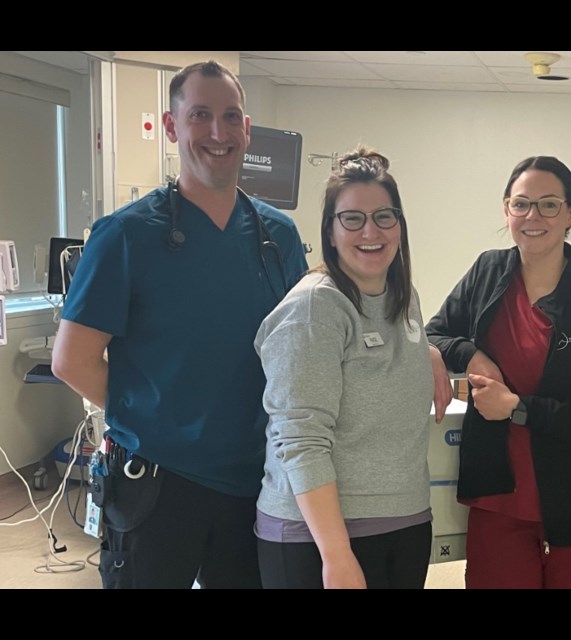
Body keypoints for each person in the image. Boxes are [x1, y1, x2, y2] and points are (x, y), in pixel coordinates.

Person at [51, 60, 308, 589]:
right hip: (157, 484)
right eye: (200, 116)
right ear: (172, 127)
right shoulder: (125, 236)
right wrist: (156, 420)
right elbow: (71, 360)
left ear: (246, 128)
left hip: (254, 481)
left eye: (230, 116)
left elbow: (309, 344)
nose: (218, 132)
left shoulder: (277, 238)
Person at [426, 156, 571, 589]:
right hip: (499, 496)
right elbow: (434, 334)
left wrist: (517, 408)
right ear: (506, 210)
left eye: (548, 205)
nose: (532, 217)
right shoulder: (487, 272)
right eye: (521, 204)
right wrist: (471, 356)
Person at [254, 147, 452, 589]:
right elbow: (301, 439)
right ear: (329, 228)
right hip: (319, 538)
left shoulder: (404, 296)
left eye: (384, 216)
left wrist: (430, 353)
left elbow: (388, 354)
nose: (371, 231)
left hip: (404, 520)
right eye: (352, 218)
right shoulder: (315, 307)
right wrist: (336, 554)